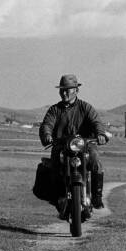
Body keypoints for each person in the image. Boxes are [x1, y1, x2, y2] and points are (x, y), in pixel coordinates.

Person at [39, 74, 109, 213]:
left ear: (76, 90)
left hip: (85, 145)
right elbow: (47, 124)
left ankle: (96, 196)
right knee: (54, 165)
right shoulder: (54, 110)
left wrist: (100, 134)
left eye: (68, 90)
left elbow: (96, 122)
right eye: (62, 90)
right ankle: (57, 197)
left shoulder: (85, 107)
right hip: (62, 146)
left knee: (95, 161)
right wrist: (47, 135)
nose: (64, 92)